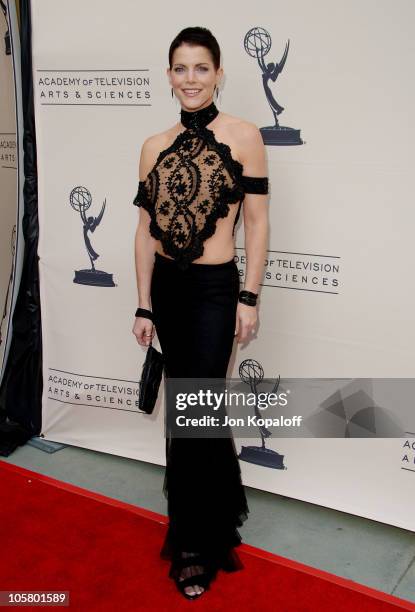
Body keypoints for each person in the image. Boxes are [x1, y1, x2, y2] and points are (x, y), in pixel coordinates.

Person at [132, 26, 269, 601]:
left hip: (216, 291)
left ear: (218, 73)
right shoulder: (152, 145)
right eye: (180, 68)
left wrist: (250, 297)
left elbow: (257, 224)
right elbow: (143, 233)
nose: (190, 79)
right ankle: (202, 525)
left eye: (201, 68)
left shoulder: (245, 136)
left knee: (198, 408)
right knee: (183, 413)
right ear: (168, 76)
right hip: (167, 287)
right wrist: (143, 303)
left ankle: (194, 541)